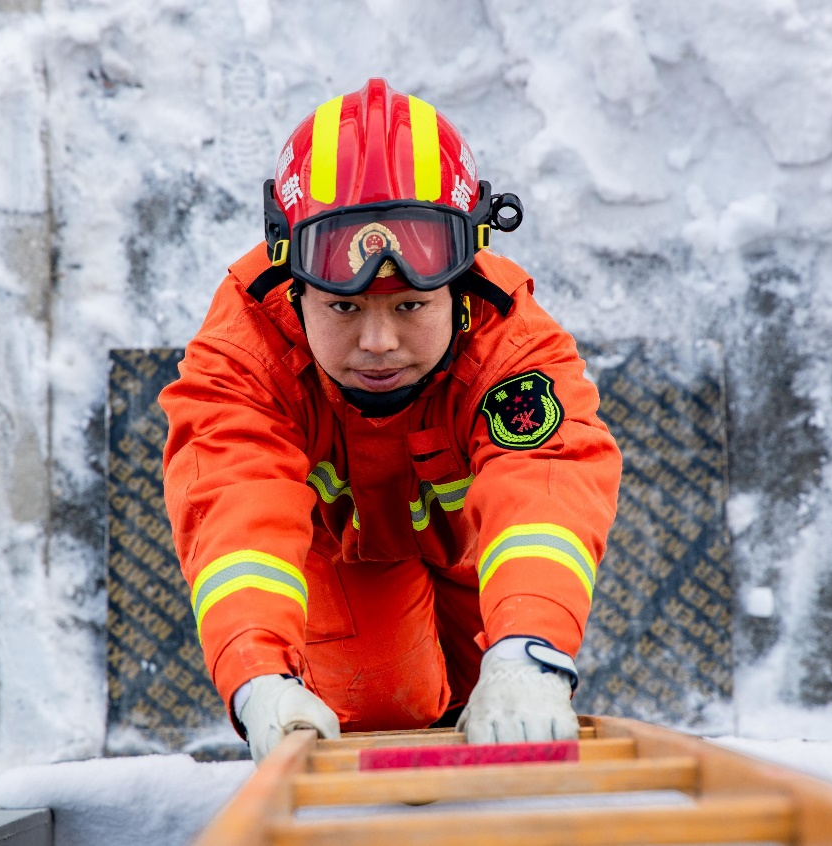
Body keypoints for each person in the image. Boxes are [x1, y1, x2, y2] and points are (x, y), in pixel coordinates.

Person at [160, 78, 621, 762]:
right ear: (294, 282)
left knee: (506, 722)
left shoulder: (510, 343)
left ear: (459, 281)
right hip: (344, 560)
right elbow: (234, 506)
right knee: (386, 716)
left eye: (409, 306)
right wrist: (260, 678)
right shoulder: (244, 352)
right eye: (343, 309)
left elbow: (544, 489)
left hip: (478, 555)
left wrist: (528, 652)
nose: (378, 343)